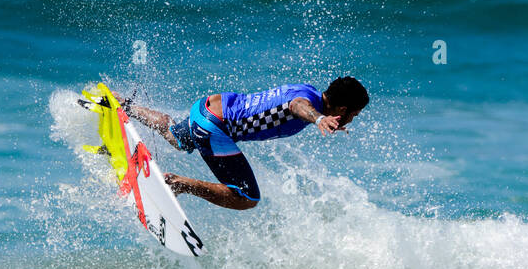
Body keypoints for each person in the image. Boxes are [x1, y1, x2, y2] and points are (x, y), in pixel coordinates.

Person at [125, 77, 369, 210]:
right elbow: (296, 106)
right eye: (354, 115)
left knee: (177, 138)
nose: (352, 119)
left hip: (207, 107)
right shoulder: (308, 103)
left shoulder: (308, 89)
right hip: (216, 126)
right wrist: (319, 118)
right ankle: (176, 184)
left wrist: (324, 117)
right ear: (343, 109)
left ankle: (126, 106)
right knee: (247, 198)